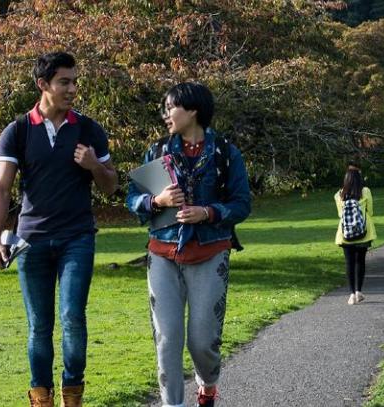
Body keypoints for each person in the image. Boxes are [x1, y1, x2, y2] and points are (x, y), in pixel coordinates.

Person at [0, 52, 118, 406]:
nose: (72, 88)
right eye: (65, 82)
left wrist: (93, 165)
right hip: (31, 242)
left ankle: (72, 395)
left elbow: (111, 185)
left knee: (73, 318)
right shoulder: (17, 131)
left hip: (78, 237)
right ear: (43, 85)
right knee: (39, 327)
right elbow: (1, 188)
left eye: (75, 81)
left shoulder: (89, 129)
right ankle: (41, 399)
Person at [126, 82, 251, 407]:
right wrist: (156, 200)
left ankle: (207, 386)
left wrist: (208, 213)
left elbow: (242, 205)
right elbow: (132, 199)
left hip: (211, 254)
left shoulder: (226, 152)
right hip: (162, 255)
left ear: (192, 110)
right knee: (167, 340)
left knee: (202, 342)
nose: (166, 114)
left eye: (171, 107)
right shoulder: (155, 152)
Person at [334, 163, 377, 305]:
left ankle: (351, 294)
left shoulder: (339, 194)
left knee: (349, 263)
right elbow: (370, 212)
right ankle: (359, 291)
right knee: (360, 261)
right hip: (363, 233)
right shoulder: (365, 191)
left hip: (345, 234)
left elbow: (341, 214)